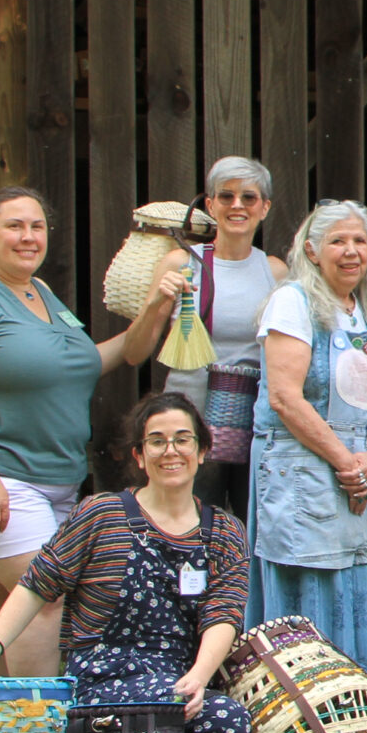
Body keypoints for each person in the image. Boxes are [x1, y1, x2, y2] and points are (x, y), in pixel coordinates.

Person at [0, 187, 179, 679]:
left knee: (3, 602)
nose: (28, 236)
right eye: (14, 226)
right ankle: (39, 730)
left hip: (51, 477)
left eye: (37, 227)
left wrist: (157, 304)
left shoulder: (39, 294)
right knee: (46, 598)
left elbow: (113, 355)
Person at [0, 393, 253, 733]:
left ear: (202, 450)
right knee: (150, 724)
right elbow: (35, 586)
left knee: (227, 723)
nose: (169, 451)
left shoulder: (225, 532)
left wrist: (198, 679)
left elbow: (223, 615)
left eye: (182, 439)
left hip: (178, 682)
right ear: (139, 456)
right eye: (156, 440)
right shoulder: (101, 514)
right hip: (98, 683)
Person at [248, 200, 367, 710]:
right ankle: (307, 715)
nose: (351, 251)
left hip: (362, 469)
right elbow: (284, 397)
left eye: (360, 241)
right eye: (338, 241)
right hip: (304, 470)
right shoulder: (292, 302)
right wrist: (345, 461)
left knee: (360, 582)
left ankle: (362, 714)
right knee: (313, 581)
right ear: (311, 251)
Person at [132, 156, 289, 516]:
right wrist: (157, 301)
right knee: (191, 526)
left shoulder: (275, 272)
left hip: (253, 426)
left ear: (264, 207)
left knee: (255, 531)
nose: (237, 205)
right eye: (226, 196)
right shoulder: (180, 264)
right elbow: (134, 352)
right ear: (210, 205)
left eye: (249, 197)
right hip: (188, 428)